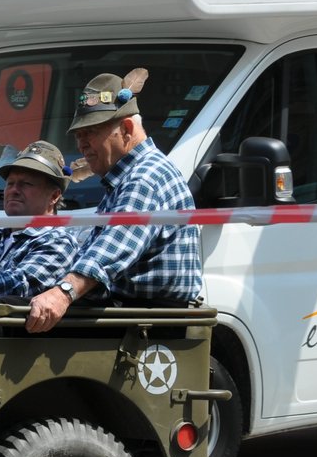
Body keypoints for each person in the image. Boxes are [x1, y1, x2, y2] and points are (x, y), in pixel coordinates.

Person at [26, 70, 203, 333]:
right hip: (132, 316)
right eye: (78, 135)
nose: (82, 144)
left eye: (91, 132)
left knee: (13, 320)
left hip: (144, 324)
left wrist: (62, 293)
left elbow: (110, 251)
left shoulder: (144, 177)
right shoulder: (127, 175)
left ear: (127, 129)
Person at [0, 140, 79, 314]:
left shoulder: (60, 242)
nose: (14, 190)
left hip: (3, 340)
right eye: (10, 183)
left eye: (26, 184)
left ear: (54, 196)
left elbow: (17, 284)